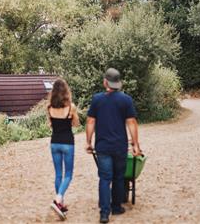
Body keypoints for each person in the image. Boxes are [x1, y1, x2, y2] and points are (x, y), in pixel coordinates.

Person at [86, 68, 141, 223]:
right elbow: (131, 123)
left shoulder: (97, 99)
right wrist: (136, 144)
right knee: (118, 177)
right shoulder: (126, 100)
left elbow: (90, 121)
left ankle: (104, 213)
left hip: (102, 146)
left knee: (104, 178)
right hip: (120, 146)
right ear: (118, 84)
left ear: (105, 82)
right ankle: (116, 207)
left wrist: (88, 142)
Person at [47, 78, 80, 220]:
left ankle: (60, 205)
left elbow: (50, 124)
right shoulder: (71, 107)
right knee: (68, 175)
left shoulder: (49, 108)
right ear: (66, 91)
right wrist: (71, 118)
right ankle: (58, 199)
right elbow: (77, 124)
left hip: (54, 143)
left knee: (58, 175)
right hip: (67, 143)